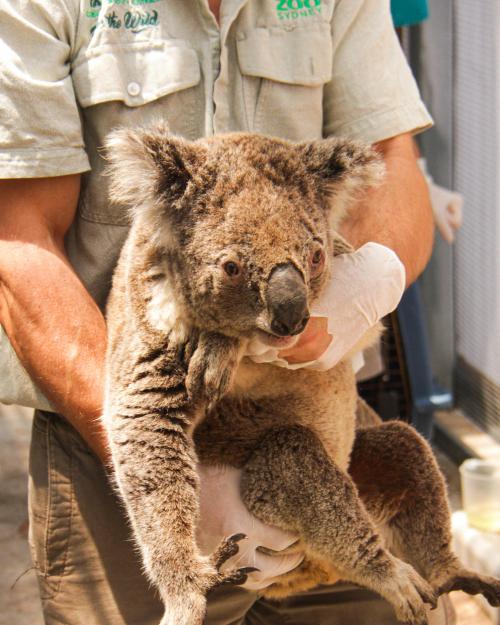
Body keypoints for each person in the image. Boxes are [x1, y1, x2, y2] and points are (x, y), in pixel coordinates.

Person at [0, 0, 449, 623]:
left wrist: (365, 280)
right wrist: (158, 460)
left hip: (315, 408)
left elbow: (392, 166)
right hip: (116, 413)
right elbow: (19, 239)